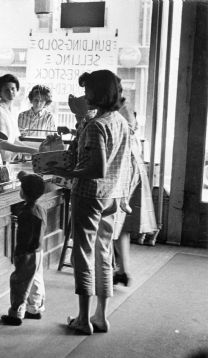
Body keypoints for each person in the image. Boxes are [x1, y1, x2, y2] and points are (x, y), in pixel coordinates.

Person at [48, 70, 131, 335]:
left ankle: (83, 319)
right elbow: (119, 165)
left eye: (88, 91)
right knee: (103, 254)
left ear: (98, 93)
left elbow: (97, 168)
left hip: (89, 194)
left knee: (82, 255)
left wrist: (64, 172)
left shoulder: (97, 125)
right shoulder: (118, 120)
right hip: (112, 195)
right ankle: (100, 316)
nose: (85, 96)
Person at [113, 99, 158, 286]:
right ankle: (122, 270)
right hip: (133, 164)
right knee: (120, 225)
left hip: (124, 167)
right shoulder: (126, 106)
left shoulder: (117, 109)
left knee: (112, 220)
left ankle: (112, 270)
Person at [1, 171, 47, 326]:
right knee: (36, 281)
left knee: (20, 283)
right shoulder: (41, 209)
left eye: (21, 188)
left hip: (26, 253)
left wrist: (17, 254)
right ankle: (34, 308)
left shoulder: (26, 213)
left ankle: (16, 313)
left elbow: (23, 238)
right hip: (39, 251)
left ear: (24, 192)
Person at [0, 74, 38, 160]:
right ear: (0, 92)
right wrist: (31, 150)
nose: (11, 92)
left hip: (8, 159)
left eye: (13, 89)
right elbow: (1, 143)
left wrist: (34, 150)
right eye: (6, 90)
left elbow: (14, 139)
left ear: (17, 90)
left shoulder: (12, 111)